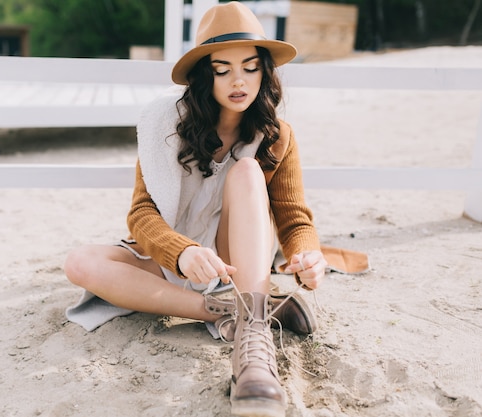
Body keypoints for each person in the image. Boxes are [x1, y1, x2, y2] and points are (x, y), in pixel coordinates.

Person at [64, 2, 328, 416]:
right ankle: (232, 309)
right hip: (178, 256)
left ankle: (254, 345)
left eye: (250, 67)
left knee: (245, 172)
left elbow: (294, 215)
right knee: (80, 262)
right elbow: (141, 213)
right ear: (206, 75)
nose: (238, 81)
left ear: (265, 71)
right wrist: (183, 252)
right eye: (222, 69)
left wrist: (308, 253)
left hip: (234, 260)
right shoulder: (164, 125)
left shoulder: (277, 135)